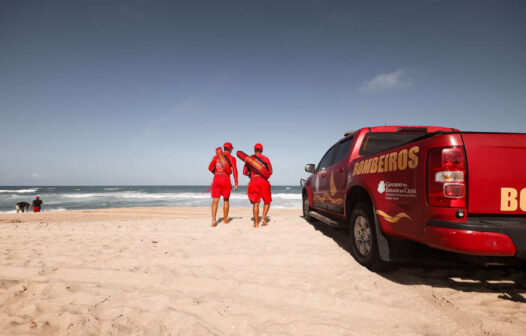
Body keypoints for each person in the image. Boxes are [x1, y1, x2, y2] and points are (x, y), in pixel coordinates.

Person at [208, 142, 238, 227]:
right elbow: (235, 171)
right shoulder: (232, 158)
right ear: (230, 149)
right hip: (226, 180)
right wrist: (236, 182)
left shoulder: (216, 156)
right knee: (226, 200)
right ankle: (225, 220)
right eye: (232, 148)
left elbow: (210, 167)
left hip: (217, 179)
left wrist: (216, 173)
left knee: (215, 201)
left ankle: (213, 220)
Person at [243, 143, 273, 228]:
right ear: (262, 150)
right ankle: (263, 218)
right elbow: (270, 172)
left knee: (256, 203)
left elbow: (245, 172)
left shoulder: (250, 159)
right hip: (264, 181)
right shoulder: (266, 159)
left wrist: (252, 174)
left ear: (254, 149)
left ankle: (256, 224)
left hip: (253, 181)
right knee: (267, 201)